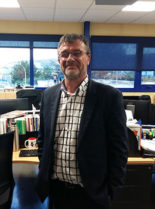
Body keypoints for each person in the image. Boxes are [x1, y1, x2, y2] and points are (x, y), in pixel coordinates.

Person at [36, 33, 129, 209]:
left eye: (77, 53)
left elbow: (120, 150)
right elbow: (43, 140)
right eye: (64, 54)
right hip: (56, 191)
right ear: (59, 60)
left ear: (88, 58)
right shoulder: (48, 95)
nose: (70, 58)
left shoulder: (109, 97)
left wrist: (110, 191)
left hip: (92, 195)